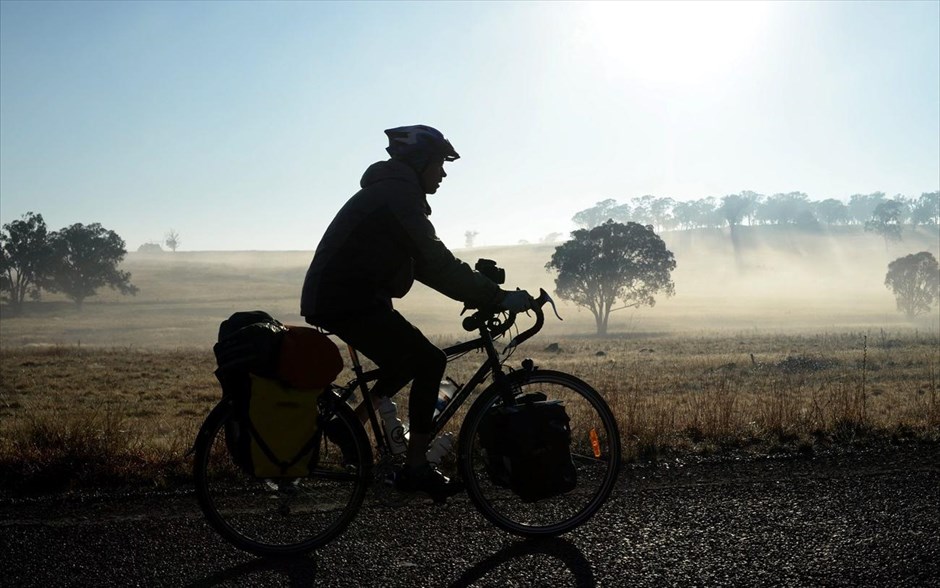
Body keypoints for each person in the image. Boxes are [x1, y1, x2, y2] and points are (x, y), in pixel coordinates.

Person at [301, 125, 532, 500]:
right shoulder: (398, 195)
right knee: (429, 361)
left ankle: (350, 427)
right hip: (346, 299)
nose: (442, 173)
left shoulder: (394, 192)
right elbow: (435, 262)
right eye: (440, 163)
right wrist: (497, 296)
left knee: (405, 361)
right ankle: (417, 467)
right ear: (420, 161)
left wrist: (482, 292)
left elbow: (426, 266)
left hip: (346, 297)